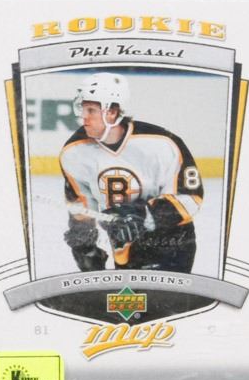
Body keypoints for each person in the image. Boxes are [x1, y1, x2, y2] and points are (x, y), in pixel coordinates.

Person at [59, 72, 202, 273]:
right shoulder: (74, 152)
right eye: (82, 109)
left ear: (112, 112)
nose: (84, 117)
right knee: (129, 294)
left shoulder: (163, 144)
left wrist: (143, 214)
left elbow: (191, 197)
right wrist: (84, 246)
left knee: (157, 293)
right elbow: (81, 207)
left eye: (91, 110)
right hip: (124, 247)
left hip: (172, 244)